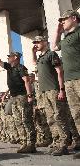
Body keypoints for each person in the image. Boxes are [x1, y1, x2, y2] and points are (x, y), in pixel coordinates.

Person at [32, 35, 75, 156]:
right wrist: (33, 52)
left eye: (38, 42)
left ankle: (64, 144)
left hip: (54, 90)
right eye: (35, 42)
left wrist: (62, 89)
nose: (36, 44)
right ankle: (56, 142)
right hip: (44, 92)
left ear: (45, 42)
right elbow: (35, 62)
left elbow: (60, 71)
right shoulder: (41, 58)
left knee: (59, 117)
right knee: (50, 118)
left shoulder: (51, 54)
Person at [0, 46, 36, 153]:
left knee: (26, 119)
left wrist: (29, 96)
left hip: (22, 96)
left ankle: (31, 144)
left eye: (10, 57)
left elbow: (27, 81)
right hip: (14, 97)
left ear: (15, 57)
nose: (8, 58)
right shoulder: (9, 67)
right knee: (18, 120)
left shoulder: (21, 68)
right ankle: (24, 143)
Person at [52, 10, 80, 159]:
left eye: (64, 19)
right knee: (76, 115)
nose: (62, 22)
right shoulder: (66, 38)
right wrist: (57, 31)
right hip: (69, 81)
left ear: (74, 18)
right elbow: (54, 46)